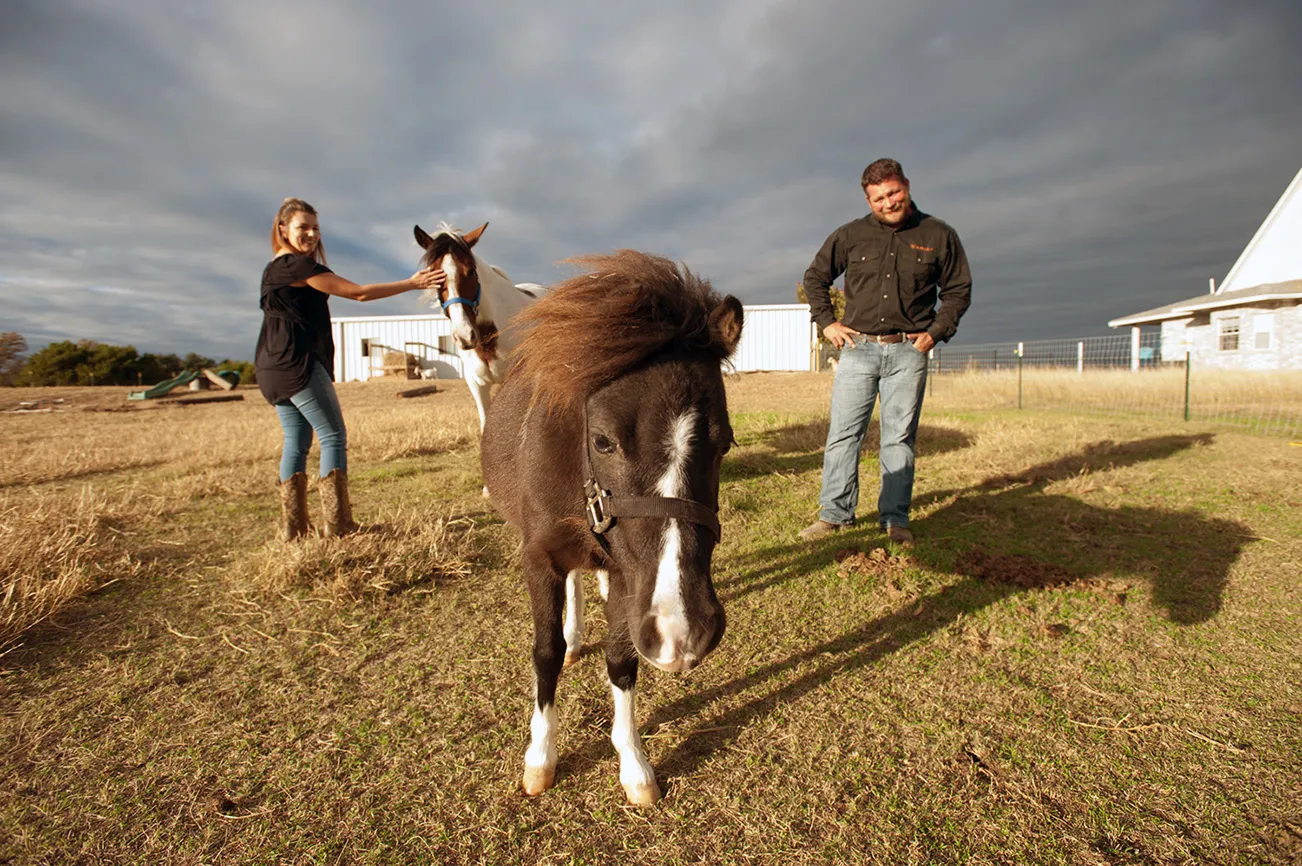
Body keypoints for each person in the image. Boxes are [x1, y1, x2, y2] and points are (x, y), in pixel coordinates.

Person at [798, 159, 972, 544]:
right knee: (844, 434)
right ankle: (835, 515)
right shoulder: (850, 235)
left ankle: (895, 519)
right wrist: (827, 322)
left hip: (909, 353)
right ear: (867, 198)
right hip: (858, 349)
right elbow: (815, 279)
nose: (888, 203)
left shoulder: (938, 234)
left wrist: (936, 332)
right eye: (878, 198)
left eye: (893, 193)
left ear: (906, 186)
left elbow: (958, 291)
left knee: (899, 438)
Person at [255, 197, 445, 540]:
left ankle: (293, 530)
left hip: (270, 367)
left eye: (315, 228)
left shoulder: (273, 269)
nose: (311, 234)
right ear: (283, 229)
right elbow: (357, 294)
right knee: (333, 435)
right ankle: (339, 526)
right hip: (297, 363)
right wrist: (411, 283)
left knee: (296, 442)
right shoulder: (297, 267)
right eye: (303, 227)